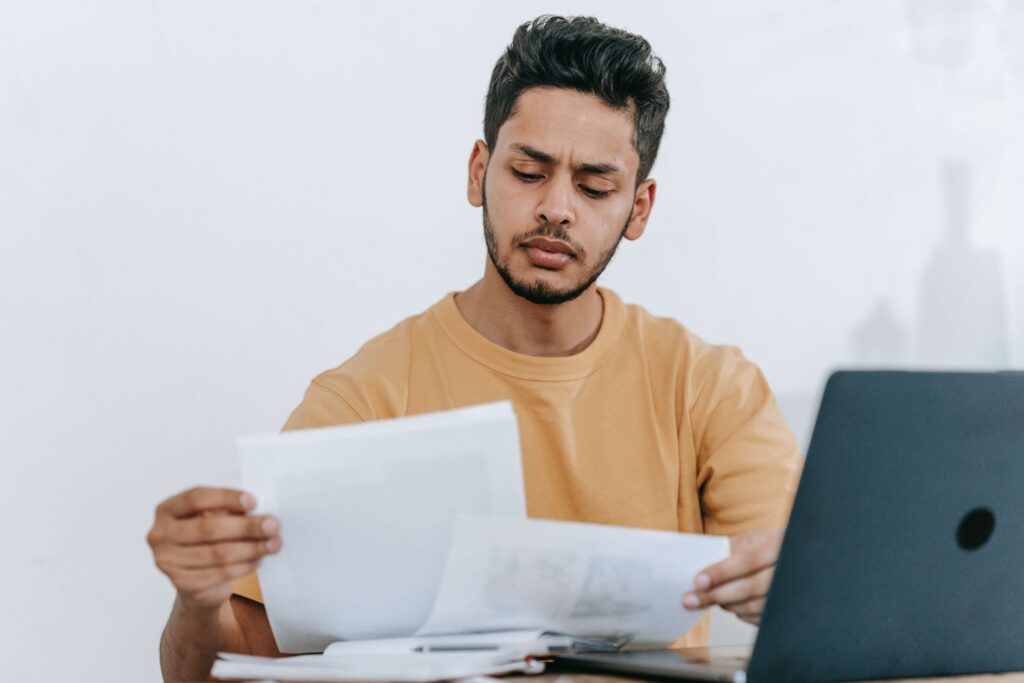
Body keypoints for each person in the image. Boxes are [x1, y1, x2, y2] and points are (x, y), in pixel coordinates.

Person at [146, 15, 801, 682]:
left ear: (638, 208)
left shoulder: (708, 385)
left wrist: (791, 587)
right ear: (479, 172)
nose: (556, 208)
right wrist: (196, 600)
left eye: (595, 186)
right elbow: (216, 668)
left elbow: (809, 605)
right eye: (528, 171)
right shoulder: (370, 394)